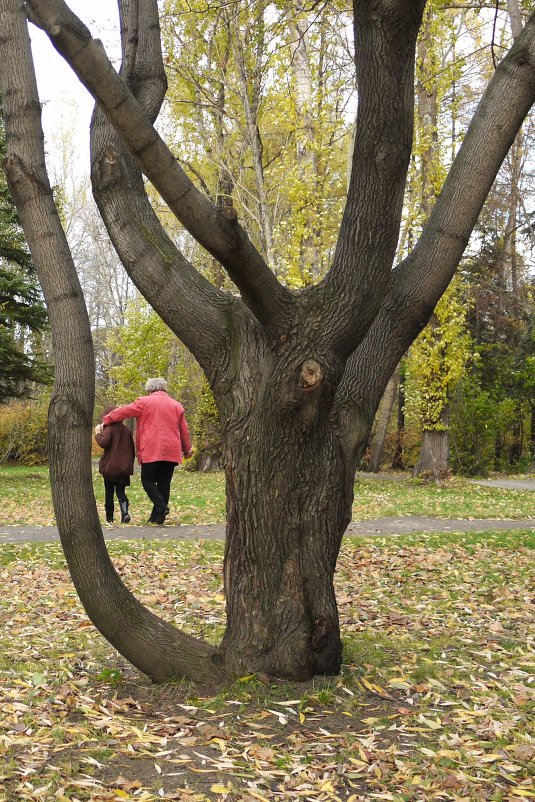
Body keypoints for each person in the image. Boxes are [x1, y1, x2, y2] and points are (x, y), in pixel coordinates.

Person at [102, 378, 192, 525]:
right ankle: (157, 518)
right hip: (171, 449)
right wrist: (187, 449)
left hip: (151, 448)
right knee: (164, 483)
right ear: (164, 389)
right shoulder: (177, 405)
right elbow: (184, 430)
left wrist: (107, 419)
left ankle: (162, 508)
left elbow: (123, 412)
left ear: (150, 390)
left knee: (147, 480)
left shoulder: (143, 402)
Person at [94, 405, 136, 525]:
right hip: (123, 468)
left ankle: (109, 519)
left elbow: (103, 442)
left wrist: (97, 433)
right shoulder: (126, 430)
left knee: (109, 493)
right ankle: (125, 513)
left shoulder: (110, 428)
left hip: (110, 468)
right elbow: (131, 450)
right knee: (120, 491)